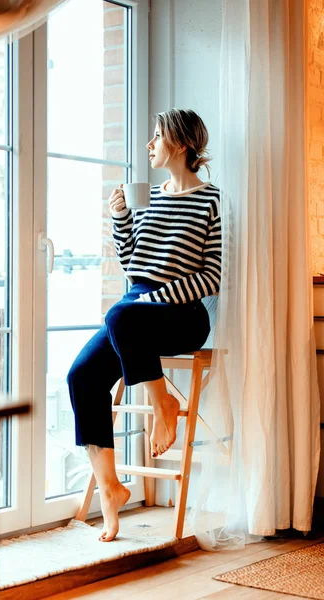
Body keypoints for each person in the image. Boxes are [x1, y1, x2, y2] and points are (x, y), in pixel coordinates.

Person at [67, 108, 221, 542]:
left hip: (184, 314)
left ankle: (162, 405)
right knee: (81, 377)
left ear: (183, 144)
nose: (150, 145)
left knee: (121, 314)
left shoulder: (212, 201)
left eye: (157, 136)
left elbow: (212, 278)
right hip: (136, 309)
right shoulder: (147, 196)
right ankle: (111, 489)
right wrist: (120, 219)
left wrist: (153, 298)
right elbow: (132, 265)